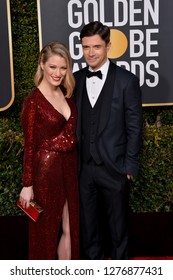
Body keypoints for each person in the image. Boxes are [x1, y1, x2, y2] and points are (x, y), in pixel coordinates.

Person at [73, 21, 142, 260]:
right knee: (89, 228)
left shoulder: (127, 80)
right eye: (85, 47)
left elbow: (134, 127)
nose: (90, 53)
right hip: (83, 169)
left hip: (114, 167)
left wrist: (129, 166)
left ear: (108, 46)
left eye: (96, 47)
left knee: (117, 229)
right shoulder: (74, 80)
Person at [19, 41, 80, 260]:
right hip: (45, 173)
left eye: (63, 67)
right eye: (53, 67)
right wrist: (27, 185)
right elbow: (30, 145)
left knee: (70, 226)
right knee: (45, 232)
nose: (58, 73)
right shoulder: (33, 102)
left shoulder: (68, 94)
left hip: (70, 167)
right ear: (42, 64)